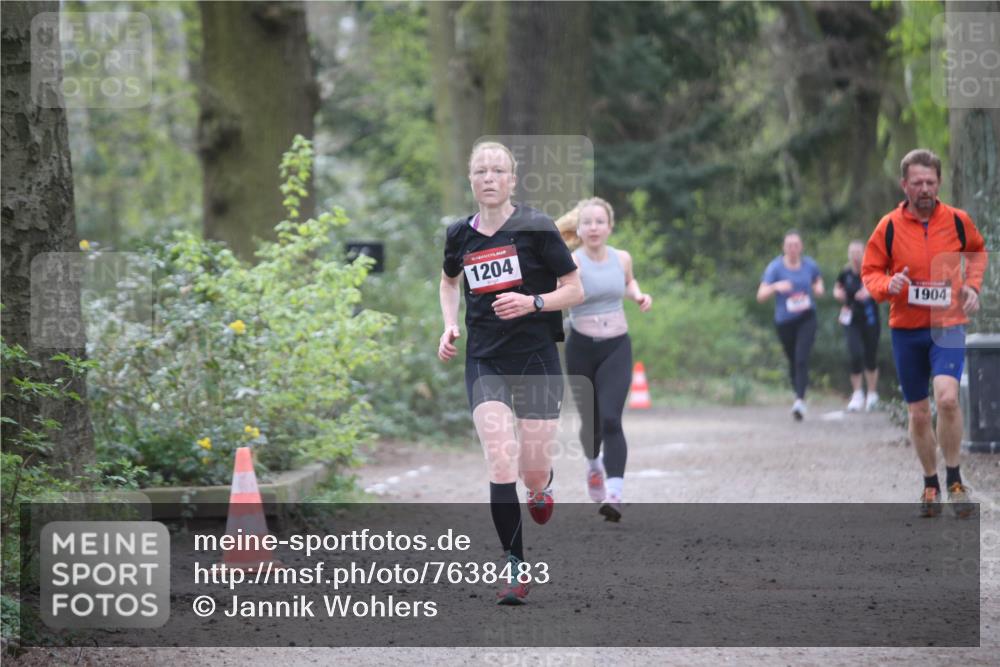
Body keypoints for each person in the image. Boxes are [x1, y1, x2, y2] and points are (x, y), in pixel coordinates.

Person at [438, 141, 584, 604]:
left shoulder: (536, 227)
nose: (489, 177)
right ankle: (515, 568)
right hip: (486, 360)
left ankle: (542, 488)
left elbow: (574, 289)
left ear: (512, 180)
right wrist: (449, 324)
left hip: (535, 358)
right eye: (481, 170)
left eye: (498, 170)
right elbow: (448, 282)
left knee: (531, 473)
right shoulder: (459, 234)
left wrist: (533, 302)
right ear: (470, 179)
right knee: (501, 461)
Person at [862, 148, 987, 518]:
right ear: (905, 185)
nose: (925, 189)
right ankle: (930, 483)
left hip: (947, 325)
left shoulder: (958, 221)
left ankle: (955, 480)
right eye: (917, 182)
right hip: (906, 329)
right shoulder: (888, 227)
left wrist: (973, 287)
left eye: (930, 182)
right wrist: (888, 285)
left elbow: (977, 252)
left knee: (947, 399)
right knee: (918, 412)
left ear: (939, 183)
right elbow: (870, 272)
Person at [557, 198, 652, 522]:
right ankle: (593, 464)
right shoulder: (571, 262)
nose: (594, 228)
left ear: (610, 226)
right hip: (581, 348)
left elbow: (628, 282)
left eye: (600, 222)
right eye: (587, 222)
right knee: (592, 423)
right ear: (579, 229)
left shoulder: (622, 258)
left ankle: (614, 494)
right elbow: (559, 294)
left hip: (616, 347)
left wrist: (638, 295)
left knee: (611, 418)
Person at [757, 231, 825, 420]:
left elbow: (818, 281)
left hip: (806, 318)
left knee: (801, 358)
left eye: (796, 245)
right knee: (792, 359)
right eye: (789, 245)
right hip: (785, 321)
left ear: (801, 247)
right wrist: (775, 287)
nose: (793, 249)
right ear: (784, 247)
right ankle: (798, 393)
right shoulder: (775, 268)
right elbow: (760, 296)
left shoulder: (810, 265)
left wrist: (818, 288)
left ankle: (799, 400)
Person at [834, 240, 881, 412]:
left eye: (858, 252)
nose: (855, 256)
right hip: (851, 320)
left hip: (870, 320)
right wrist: (838, 294)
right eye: (852, 253)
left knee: (870, 355)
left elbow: (881, 288)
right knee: (854, 354)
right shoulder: (845, 273)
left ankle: (872, 394)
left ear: (864, 253)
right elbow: (837, 288)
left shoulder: (872, 271)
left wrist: (870, 292)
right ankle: (857, 394)